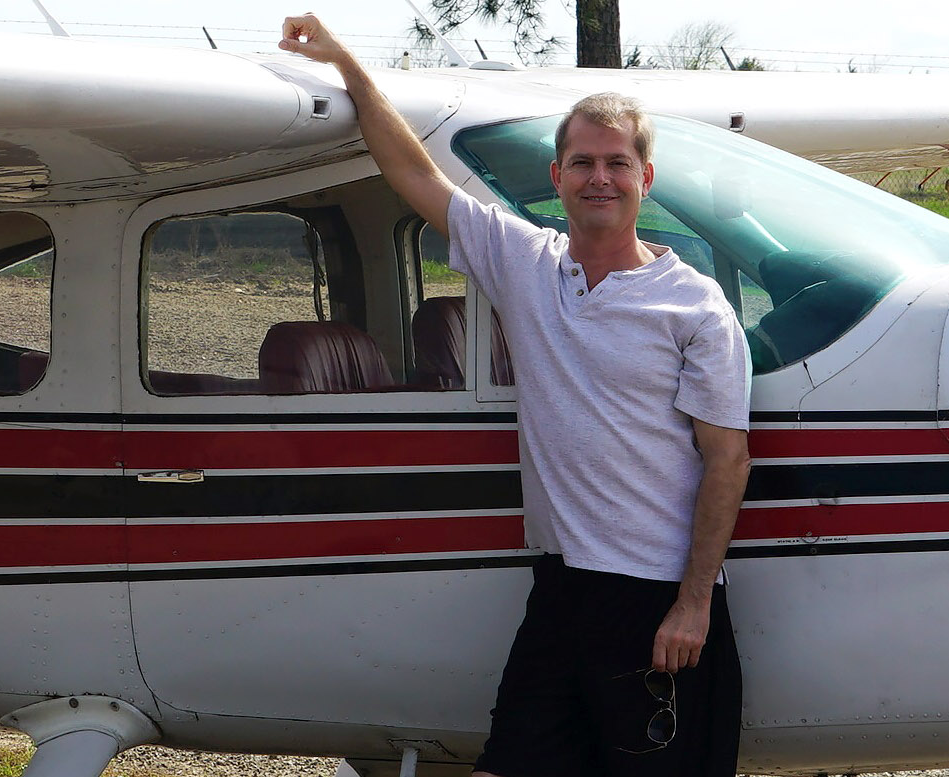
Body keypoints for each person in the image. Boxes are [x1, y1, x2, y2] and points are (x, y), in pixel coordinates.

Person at [279, 15, 753, 777]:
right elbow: (414, 176)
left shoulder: (696, 308)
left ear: (645, 179)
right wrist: (348, 66)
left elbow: (727, 461)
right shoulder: (527, 263)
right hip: (562, 587)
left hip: (655, 596)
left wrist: (693, 603)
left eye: (618, 163)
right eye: (583, 163)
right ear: (557, 177)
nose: (601, 178)